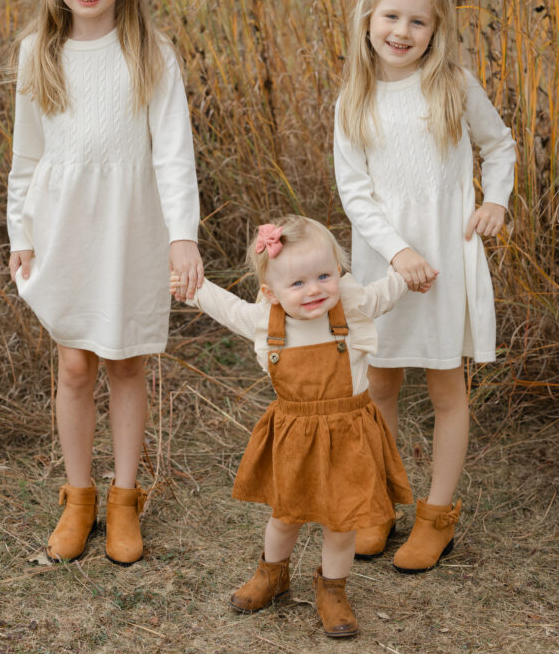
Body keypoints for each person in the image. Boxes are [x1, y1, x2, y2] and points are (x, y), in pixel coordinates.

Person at [7, 0, 203, 566]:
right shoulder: (41, 51)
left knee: (124, 360)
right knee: (72, 362)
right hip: (61, 225)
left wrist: (183, 236)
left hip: (131, 225)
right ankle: (79, 497)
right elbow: (26, 156)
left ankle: (125, 499)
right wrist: (19, 235)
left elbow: (174, 153)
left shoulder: (149, 52)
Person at [334, 0, 516, 572]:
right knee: (379, 382)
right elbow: (354, 191)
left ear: (436, 30)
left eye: (418, 22)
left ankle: (437, 516)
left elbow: (499, 146)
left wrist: (495, 200)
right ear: (367, 19)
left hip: (445, 257)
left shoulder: (454, 87)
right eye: (391, 17)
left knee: (445, 384)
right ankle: (380, 503)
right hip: (385, 261)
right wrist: (398, 252)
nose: (402, 32)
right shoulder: (353, 99)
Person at [170, 215, 413, 638]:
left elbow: (383, 294)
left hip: (350, 435)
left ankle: (332, 587)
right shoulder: (267, 321)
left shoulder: (350, 306)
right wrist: (193, 289)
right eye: (297, 284)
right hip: (295, 437)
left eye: (324, 275)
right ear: (271, 292)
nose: (314, 289)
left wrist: (409, 273)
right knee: (286, 516)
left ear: (339, 273)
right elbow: (228, 309)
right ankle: (272, 574)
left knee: (342, 522)